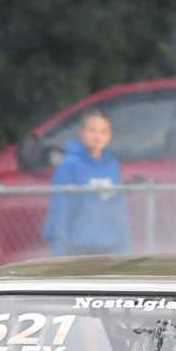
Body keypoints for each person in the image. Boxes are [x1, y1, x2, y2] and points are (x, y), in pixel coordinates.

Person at [42, 110, 131, 257]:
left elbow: (119, 209)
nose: (98, 136)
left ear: (109, 135)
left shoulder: (112, 165)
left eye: (103, 131)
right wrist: (59, 250)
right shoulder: (69, 165)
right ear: (82, 132)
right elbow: (60, 209)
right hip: (78, 247)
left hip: (109, 246)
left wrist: (124, 245)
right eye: (92, 130)